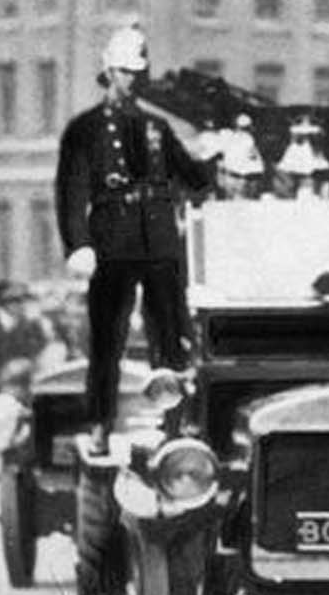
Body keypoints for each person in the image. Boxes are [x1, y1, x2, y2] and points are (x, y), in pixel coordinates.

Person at [54, 22, 218, 451]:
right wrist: (79, 243)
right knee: (108, 337)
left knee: (170, 337)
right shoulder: (85, 128)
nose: (131, 80)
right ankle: (100, 424)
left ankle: (175, 425)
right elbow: (71, 190)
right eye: (124, 71)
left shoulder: (156, 128)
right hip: (112, 238)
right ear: (108, 71)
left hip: (159, 237)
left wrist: (218, 151)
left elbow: (195, 180)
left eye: (136, 73)